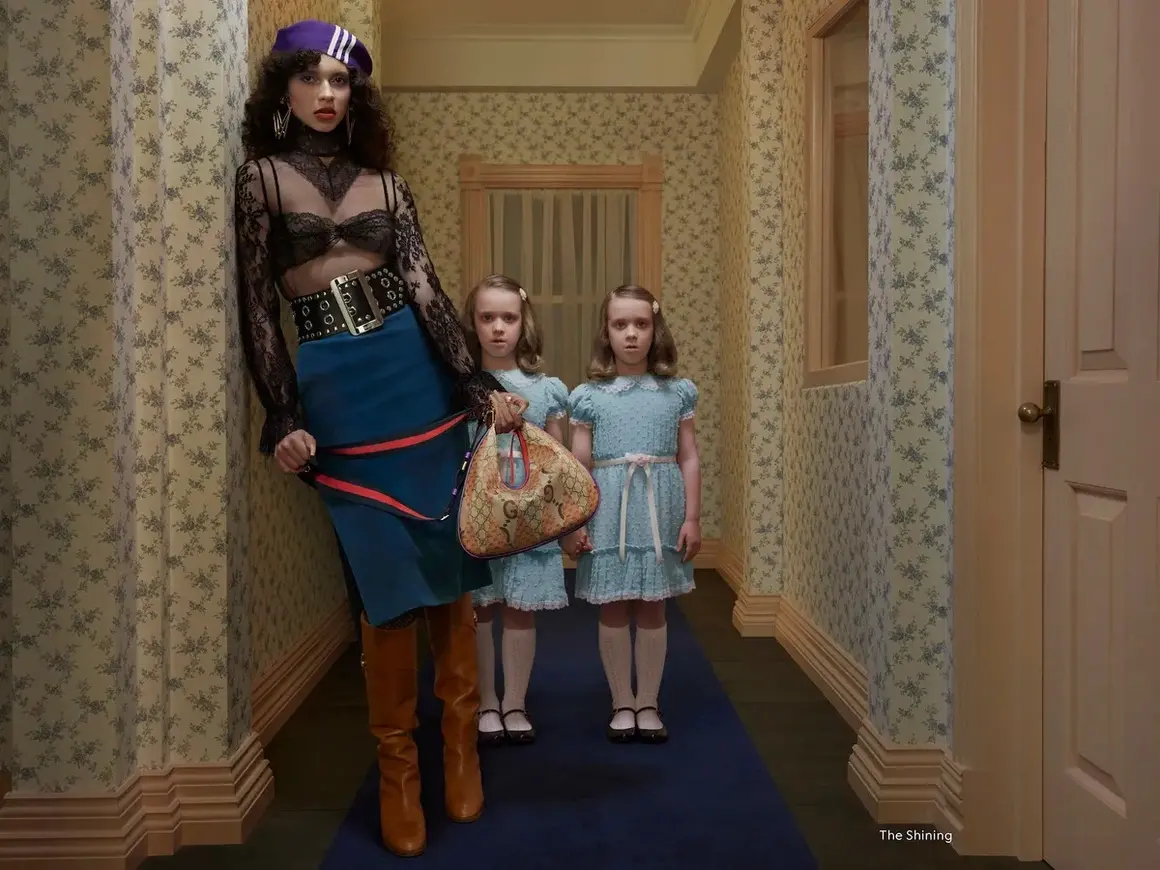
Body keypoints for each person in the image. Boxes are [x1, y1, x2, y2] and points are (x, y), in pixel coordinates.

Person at [233, 20, 527, 857]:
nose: (328, 94)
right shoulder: (259, 180)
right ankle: (399, 768)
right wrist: (283, 411)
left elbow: (426, 289)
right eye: (312, 78)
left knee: (447, 558)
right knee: (383, 577)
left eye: (342, 82)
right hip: (336, 384)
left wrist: (472, 379)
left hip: (414, 373)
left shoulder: (389, 187)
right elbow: (257, 307)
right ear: (285, 89)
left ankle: (460, 747)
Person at [561, 285, 702, 744]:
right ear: (606, 332)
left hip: (660, 506)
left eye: (641, 324)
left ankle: (648, 701)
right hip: (609, 508)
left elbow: (688, 456)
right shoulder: (588, 396)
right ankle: (622, 700)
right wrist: (576, 522)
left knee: (654, 606)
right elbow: (579, 464)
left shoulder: (677, 393)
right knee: (614, 605)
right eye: (620, 324)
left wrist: (693, 517)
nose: (631, 334)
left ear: (655, 329)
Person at [459, 275, 570, 746]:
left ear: (525, 323)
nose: (499, 328)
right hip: (479, 513)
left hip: (529, 517)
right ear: (473, 323)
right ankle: (487, 702)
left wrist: (566, 524)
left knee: (521, 609)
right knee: (482, 609)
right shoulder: (461, 388)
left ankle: (515, 703)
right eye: (488, 317)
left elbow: (558, 460)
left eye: (509, 317)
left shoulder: (546, 389)